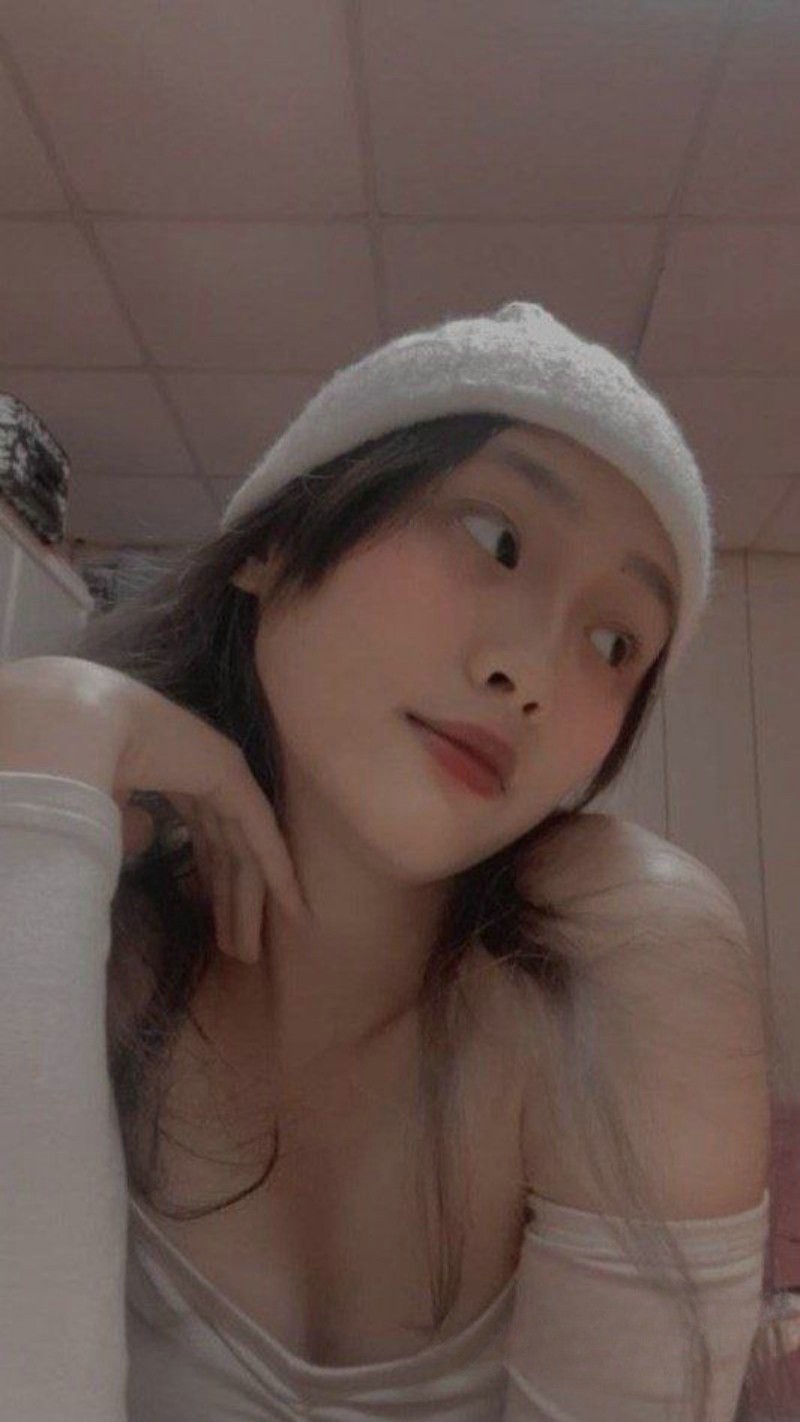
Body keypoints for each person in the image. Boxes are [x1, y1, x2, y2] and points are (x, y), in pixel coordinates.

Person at [0, 301, 790, 1421]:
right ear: (275, 542)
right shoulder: (74, 905)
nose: (532, 672)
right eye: (494, 539)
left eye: (614, 642)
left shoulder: (617, 964)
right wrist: (49, 737)